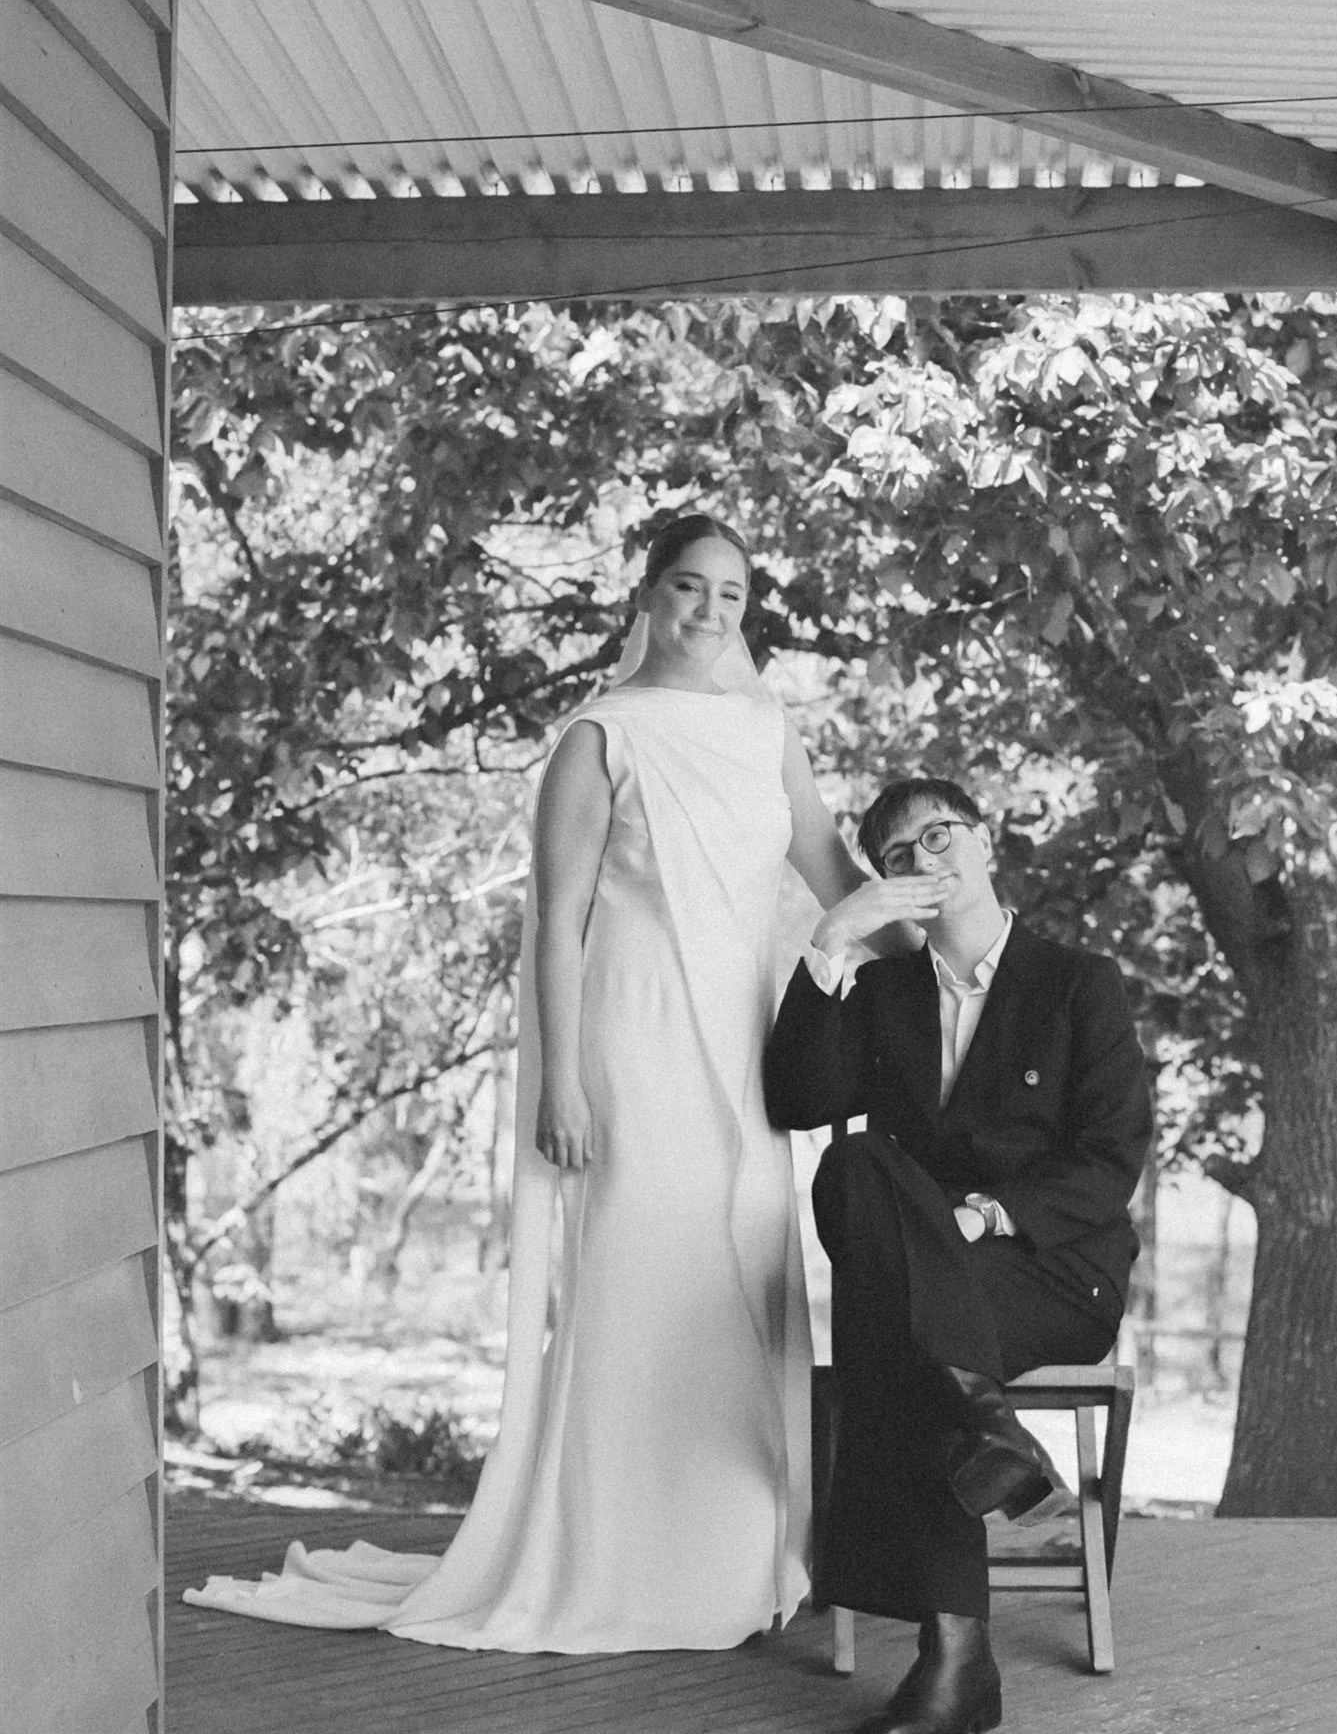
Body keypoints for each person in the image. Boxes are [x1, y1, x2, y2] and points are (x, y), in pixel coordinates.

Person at [185, 513, 941, 1652]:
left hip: (742, 1044)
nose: (707, 612)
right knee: (640, 1273)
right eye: (687, 587)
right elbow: (556, 921)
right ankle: (612, 1554)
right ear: (645, 595)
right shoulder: (598, 734)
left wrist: (945, 961)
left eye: (731, 595)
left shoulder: (764, 728)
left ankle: (733, 1559)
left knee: (736, 1274)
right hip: (630, 1039)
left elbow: (829, 865)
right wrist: (563, 1079)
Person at [764, 775, 1152, 1734]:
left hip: (1056, 1267)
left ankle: (961, 1667)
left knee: (893, 1330)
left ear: (983, 842)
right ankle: (982, 1428)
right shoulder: (886, 991)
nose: (925, 860)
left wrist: (985, 1217)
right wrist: (829, 940)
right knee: (852, 1163)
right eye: (899, 856)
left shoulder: (1076, 982)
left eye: (940, 836)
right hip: (935, 1278)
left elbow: (1111, 1162)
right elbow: (797, 1101)